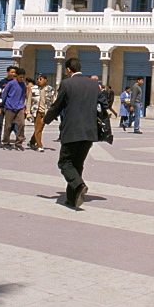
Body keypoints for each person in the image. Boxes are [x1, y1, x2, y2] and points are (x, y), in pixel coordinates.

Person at [43, 58, 102, 209]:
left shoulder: (67, 83)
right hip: (89, 131)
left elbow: (58, 104)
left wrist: (46, 119)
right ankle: (71, 199)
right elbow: (104, 104)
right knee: (77, 165)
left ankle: (79, 185)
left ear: (68, 70)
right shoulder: (94, 85)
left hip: (72, 130)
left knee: (64, 163)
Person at [0, 66, 28, 149]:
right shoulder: (11, 83)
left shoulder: (23, 84)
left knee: (21, 124)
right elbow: (5, 94)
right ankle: (6, 142)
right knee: (8, 126)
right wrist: (3, 104)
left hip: (19, 107)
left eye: (23, 77)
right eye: (20, 77)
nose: (22, 79)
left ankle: (19, 143)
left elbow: (24, 95)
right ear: (17, 76)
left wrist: (23, 106)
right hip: (10, 107)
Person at [27, 73, 55, 152]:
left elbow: (54, 101)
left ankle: (32, 142)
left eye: (41, 79)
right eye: (38, 79)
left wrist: (54, 113)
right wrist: (28, 113)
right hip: (37, 112)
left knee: (39, 129)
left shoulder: (50, 89)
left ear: (45, 80)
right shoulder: (34, 89)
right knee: (38, 128)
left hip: (46, 112)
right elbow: (29, 101)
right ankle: (39, 145)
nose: (39, 81)